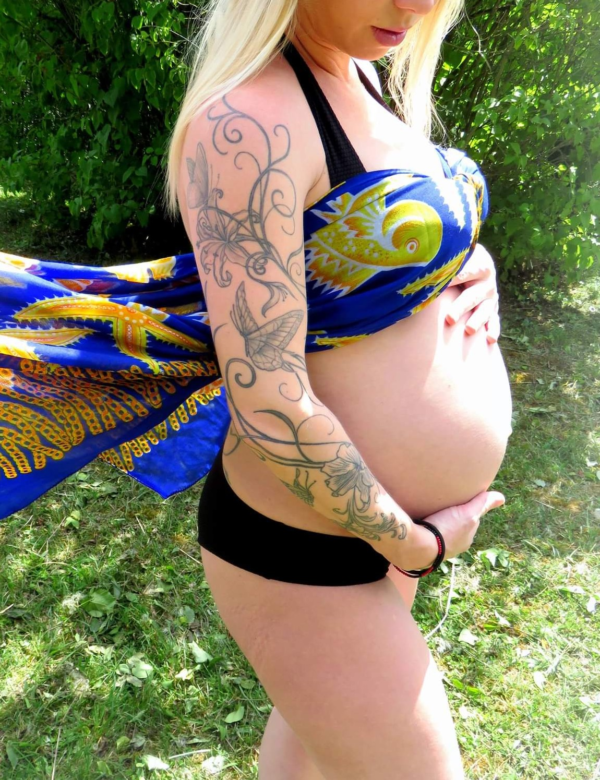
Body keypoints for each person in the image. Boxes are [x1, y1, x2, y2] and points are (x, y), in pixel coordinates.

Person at [161, 0, 513, 777]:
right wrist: (411, 544)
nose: (416, 6)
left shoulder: (360, 74)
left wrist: (467, 260)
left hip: (376, 533)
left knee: (315, 761)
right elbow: (268, 400)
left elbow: (369, 251)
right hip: (303, 549)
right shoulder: (247, 124)